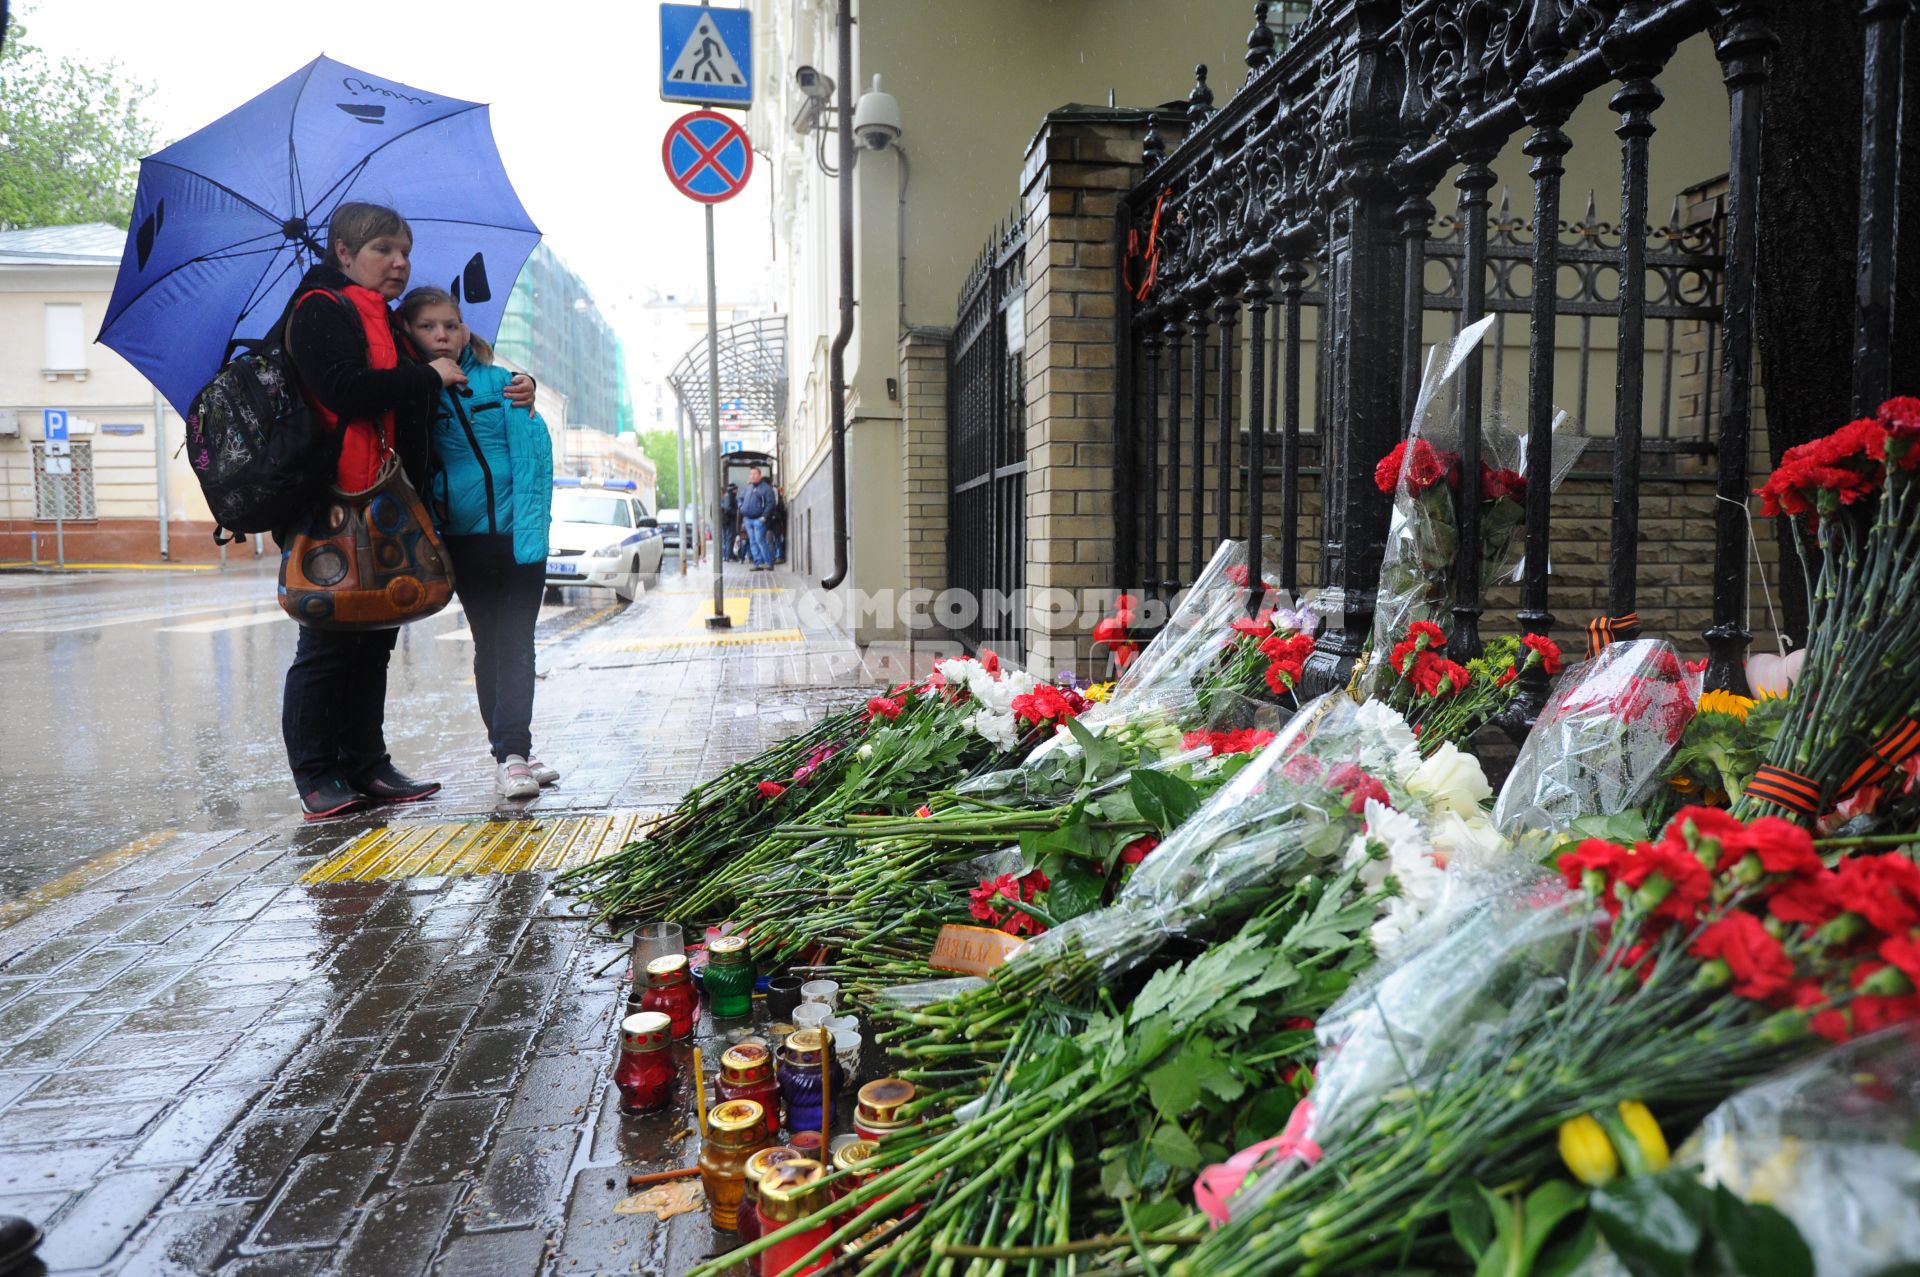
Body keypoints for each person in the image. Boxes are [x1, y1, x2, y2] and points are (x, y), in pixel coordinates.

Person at [279, 201, 535, 820]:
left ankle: (368, 765)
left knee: (375, 637)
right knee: (327, 640)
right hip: (336, 500)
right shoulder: (318, 309)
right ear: (343, 253)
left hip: (391, 501)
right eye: (383, 252)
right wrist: (428, 378)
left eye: (404, 253)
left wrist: (512, 382)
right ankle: (317, 774)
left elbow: (448, 369)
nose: (399, 264)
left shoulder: (389, 321)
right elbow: (346, 390)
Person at [400, 286, 557, 802]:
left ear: (466, 331)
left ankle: (514, 751)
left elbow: (533, 447)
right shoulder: (409, 392)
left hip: (520, 535)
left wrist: (528, 391)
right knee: (490, 644)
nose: (442, 334)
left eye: (451, 324)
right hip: (463, 539)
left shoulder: (500, 382)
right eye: (428, 326)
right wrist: (426, 386)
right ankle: (508, 751)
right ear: (410, 333)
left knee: (517, 641)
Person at [740, 466, 776, 571]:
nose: (752, 476)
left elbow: (771, 503)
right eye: (751, 474)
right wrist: (741, 507)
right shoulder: (748, 488)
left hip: (759, 520)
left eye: (754, 474)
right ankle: (758, 563)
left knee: (760, 540)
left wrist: (764, 517)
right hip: (747, 519)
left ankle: (769, 562)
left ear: (759, 475)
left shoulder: (766, 488)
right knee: (752, 541)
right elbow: (740, 499)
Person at [720, 483, 740, 561]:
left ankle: (728, 555)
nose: (736, 491)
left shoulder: (727, 496)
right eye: (735, 489)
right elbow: (728, 509)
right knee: (730, 538)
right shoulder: (729, 496)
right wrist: (736, 513)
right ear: (733, 489)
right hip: (730, 521)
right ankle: (729, 555)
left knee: (728, 538)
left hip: (727, 521)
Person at [769, 484, 788, 563]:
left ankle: (779, 556)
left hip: (775, 518)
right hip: (776, 517)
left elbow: (774, 504)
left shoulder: (772, 491)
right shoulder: (774, 491)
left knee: (776, 538)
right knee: (775, 538)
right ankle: (777, 556)